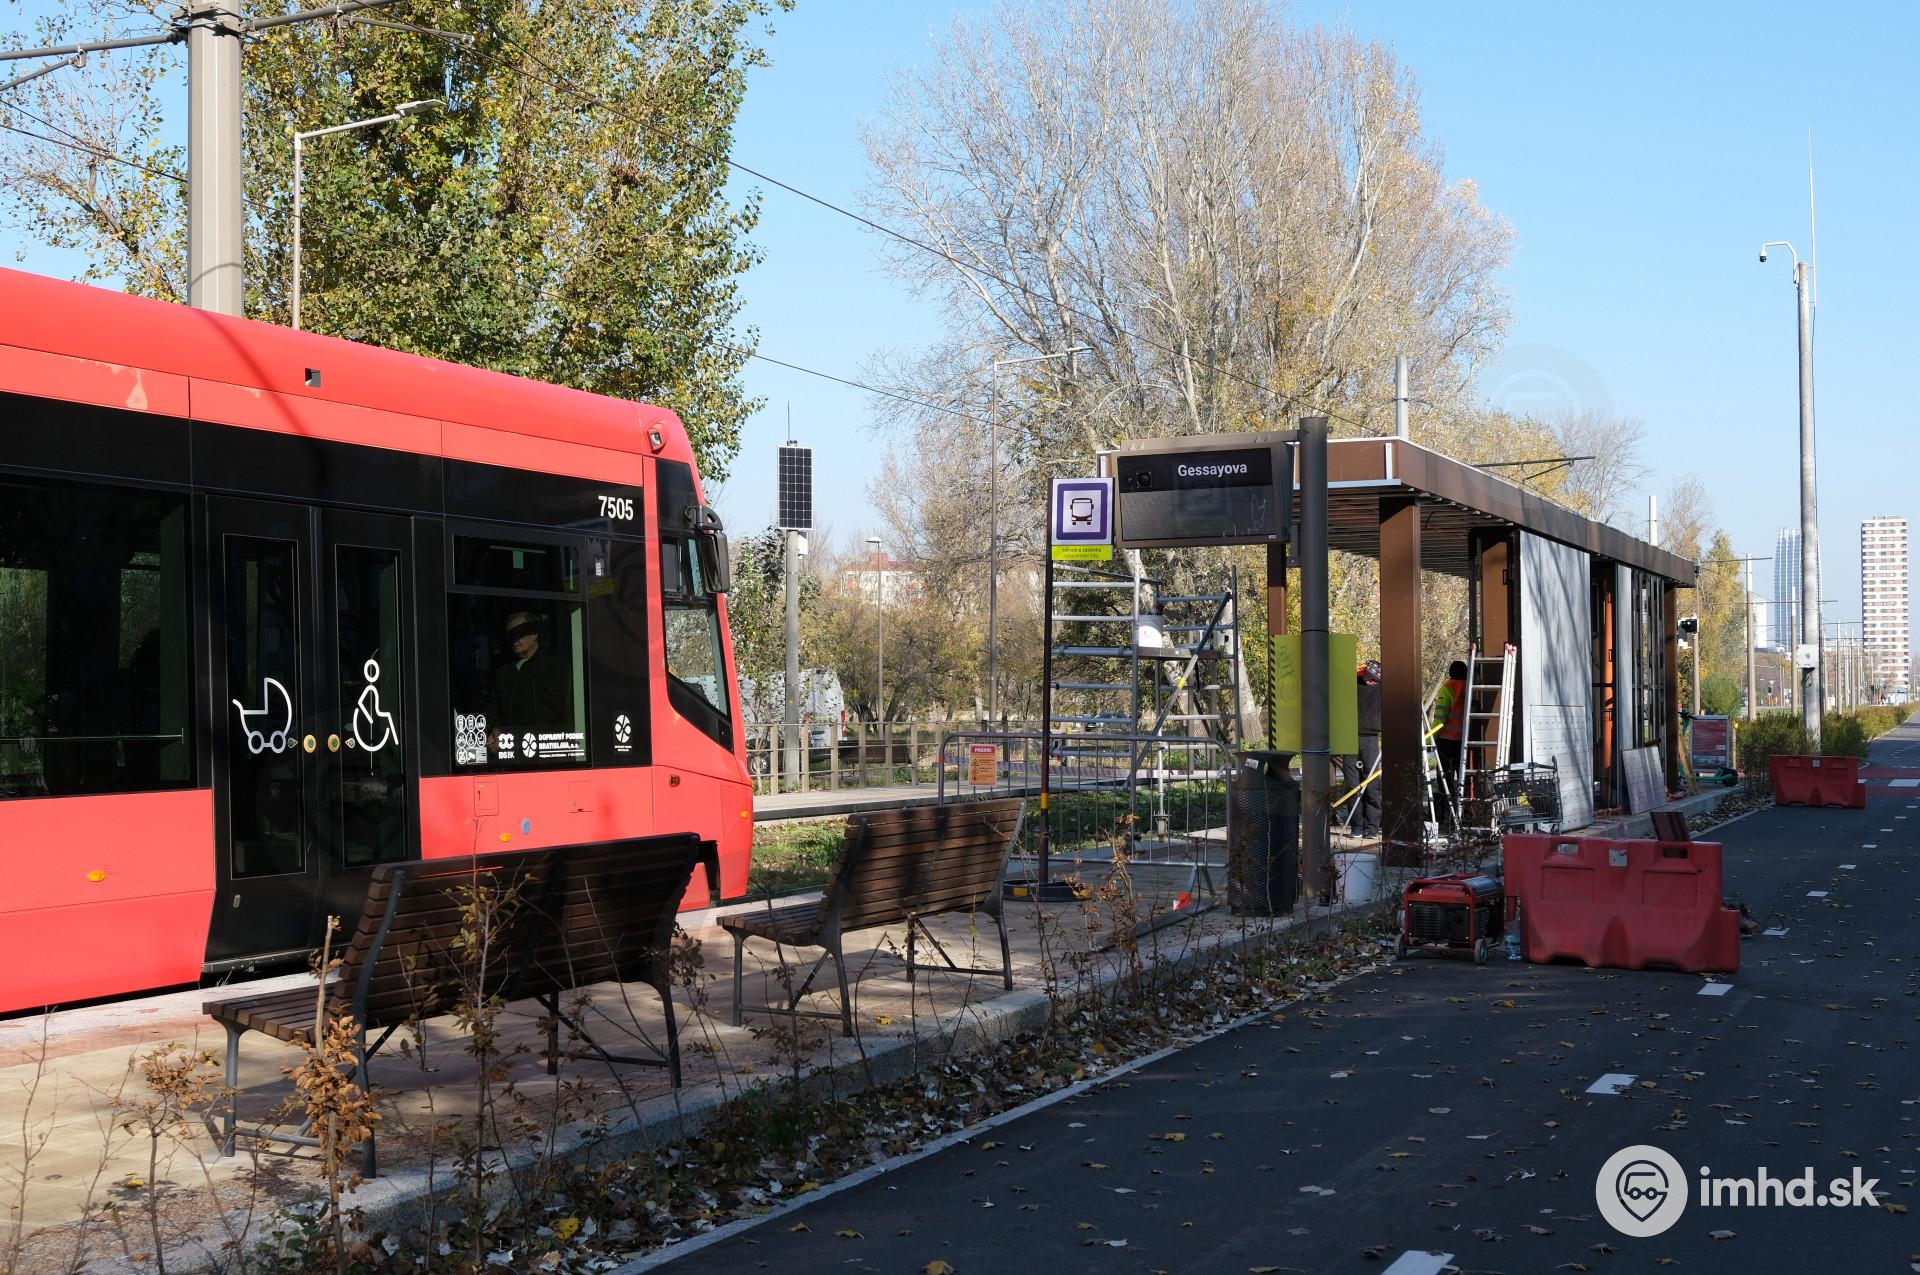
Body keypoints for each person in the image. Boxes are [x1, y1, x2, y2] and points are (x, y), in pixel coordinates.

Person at [493, 611, 567, 747]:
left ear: (534, 634)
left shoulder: (554, 666)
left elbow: (554, 710)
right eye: (511, 636)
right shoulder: (504, 671)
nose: (514, 640)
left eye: (519, 633)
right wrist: (495, 728)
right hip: (509, 748)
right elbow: (495, 707)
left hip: (545, 746)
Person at [1431, 659, 1468, 826]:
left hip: (1445, 742)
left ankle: (1444, 816)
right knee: (1463, 780)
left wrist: (1429, 739)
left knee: (1443, 780)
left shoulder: (1448, 688)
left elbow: (1440, 719)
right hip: (1465, 743)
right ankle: (1463, 815)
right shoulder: (1471, 687)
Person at [1352, 660, 1383, 837]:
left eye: (1374, 680)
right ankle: (1358, 826)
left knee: (1371, 784)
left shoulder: (1381, 690)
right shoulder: (1354, 685)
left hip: (1370, 738)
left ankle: (1371, 827)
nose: (1370, 682)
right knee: (1353, 784)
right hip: (1352, 737)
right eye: (1368, 679)